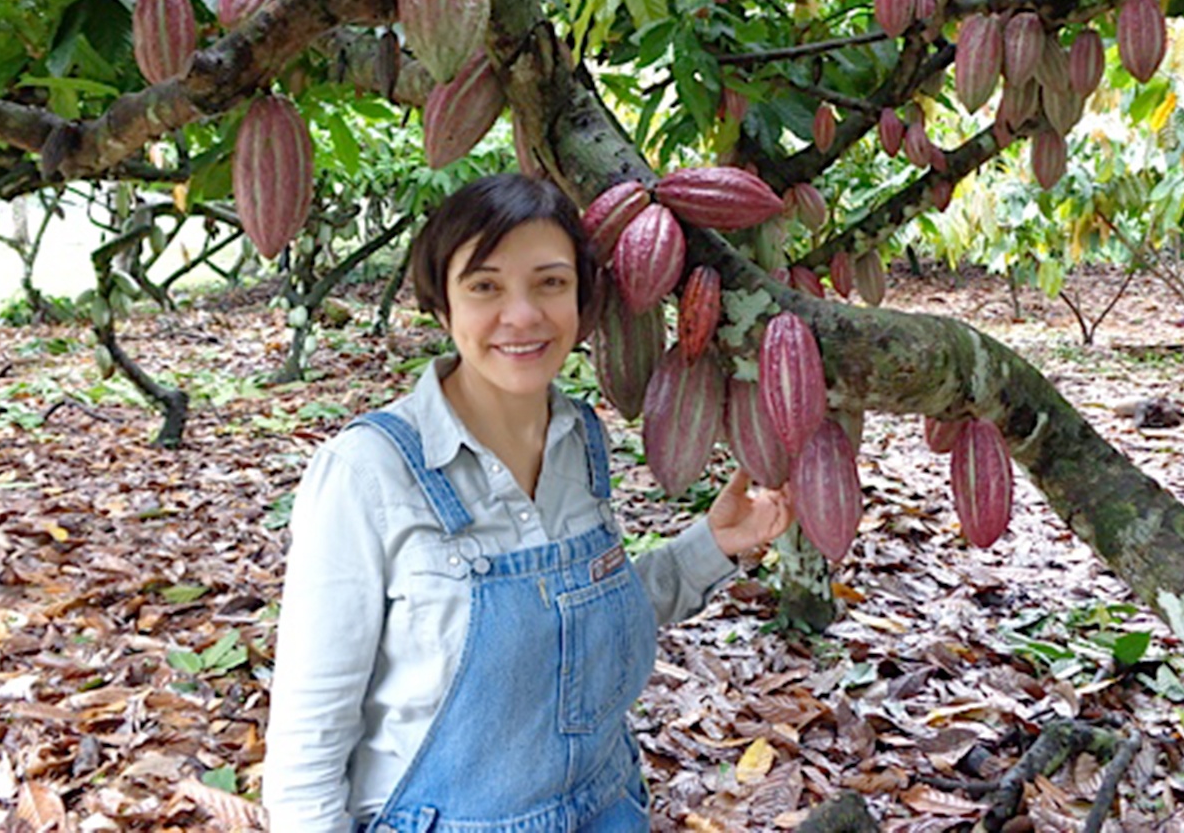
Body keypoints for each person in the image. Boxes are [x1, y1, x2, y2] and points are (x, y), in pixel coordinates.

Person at [263, 174, 794, 832]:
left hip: (607, 809)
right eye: (485, 286)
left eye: (550, 283)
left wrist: (711, 547)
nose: (522, 316)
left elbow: (581, 621)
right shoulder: (369, 472)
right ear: (441, 305)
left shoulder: (581, 437)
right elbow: (308, 736)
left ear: (581, 300)